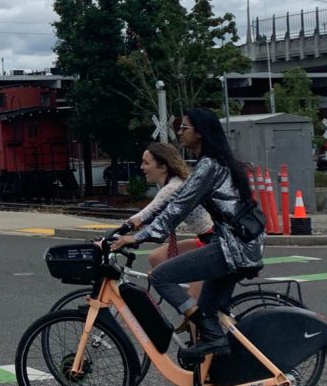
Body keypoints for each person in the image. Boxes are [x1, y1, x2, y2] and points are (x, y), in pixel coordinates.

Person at [111, 108, 264, 360]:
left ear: (201, 133)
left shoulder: (209, 167)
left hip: (233, 247)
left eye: (185, 128)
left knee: (160, 276)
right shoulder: (215, 164)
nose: (179, 132)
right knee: (207, 311)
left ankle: (214, 339)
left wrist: (137, 237)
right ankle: (213, 382)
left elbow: (178, 207)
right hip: (239, 244)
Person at [125, 143, 213, 301]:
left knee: (194, 310)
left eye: (146, 163)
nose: (142, 167)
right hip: (205, 239)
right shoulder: (173, 183)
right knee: (156, 257)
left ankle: (192, 302)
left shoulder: (172, 187)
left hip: (214, 242)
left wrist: (113, 237)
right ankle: (187, 296)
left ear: (163, 166)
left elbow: (143, 216)